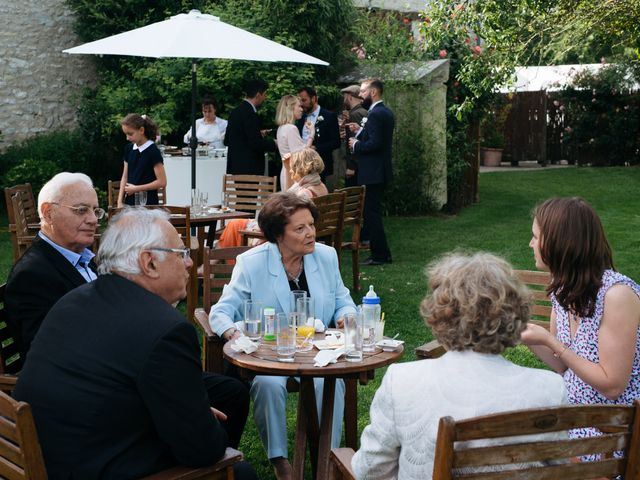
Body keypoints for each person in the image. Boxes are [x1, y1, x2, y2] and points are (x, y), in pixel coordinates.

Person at [14, 208, 255, 480]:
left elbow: (108, 378)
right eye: (181, 253)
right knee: (241, 472)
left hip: (49, 453)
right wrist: (199, 421)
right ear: (149, 263)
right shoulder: (167, 330)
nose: (189, 263)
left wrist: (188, 412)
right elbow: (203, 451)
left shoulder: (74, 300)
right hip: (95, 466)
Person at [352, 252, 568, 479]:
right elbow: (557, 470)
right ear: (514, 315)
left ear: (440, 314)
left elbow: (370, 471)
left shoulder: (402, 382)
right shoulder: (550, 389)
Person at [210, 192, 356, 480]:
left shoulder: (326, 256)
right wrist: (234, 333)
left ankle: (327, 457)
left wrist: (345, 316)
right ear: (278, 234)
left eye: (312, 225)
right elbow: (220, 312)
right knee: (268, 384)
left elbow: (344, 300)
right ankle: (280, 460)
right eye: (300, 228)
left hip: (317, 354)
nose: (311, 233)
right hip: (271, 357)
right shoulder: (252, 263)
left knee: (331, 381)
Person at [521, 197, 640, 451]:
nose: (530, 243)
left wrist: (549, 340)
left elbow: (612, 385)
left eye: (535, 236)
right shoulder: (563, 289)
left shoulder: (616, 295)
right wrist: (522, 332)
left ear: (558, 243)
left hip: (613, 432)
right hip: (573, 418)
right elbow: (563, 364)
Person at [5, 172, 102, 360]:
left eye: (95, 211)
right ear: (49, 213)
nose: (93, 220)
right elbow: (45, 352)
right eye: (81, 210)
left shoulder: (82, 258)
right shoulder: (32, 276)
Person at [217, 148, 327, 249]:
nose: (290, 171)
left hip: (284, 231)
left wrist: (261, 229)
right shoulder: (319, 186)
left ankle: (212, 262)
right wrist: (286, 166)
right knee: (236, 223)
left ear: (300, 168)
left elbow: (285, 215)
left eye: (292, 167)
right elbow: (287, 197)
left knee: (234, 225)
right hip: (301, 229)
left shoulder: (305, 193)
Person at [347, 78, 394, 265]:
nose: (361, 95)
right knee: (372, 213)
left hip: (373, 172)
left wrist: (357, 144)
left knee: (371, 215)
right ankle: (382, 253)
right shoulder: (384, 112)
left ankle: (380, 255)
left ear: (374, 92)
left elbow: (376, 144)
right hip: (379, 170)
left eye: (364, 91)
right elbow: (376, 137)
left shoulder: (375, 114)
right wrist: (360, 131)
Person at [225, 79, 277, 175]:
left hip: (236, 167)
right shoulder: (251, 114)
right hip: (250, 168)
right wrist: (274, 143)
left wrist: (258, 134)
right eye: (264, 94)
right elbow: (255, 143)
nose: (265, 98)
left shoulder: (235, 112)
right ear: (258, 95)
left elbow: (227, 139)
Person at [118, 113, 167, 207]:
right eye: (126, 134)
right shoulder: (129, 149)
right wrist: (120, 202)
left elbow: (162, 181)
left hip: (149, 205)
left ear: (141, 130)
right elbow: (125, 176)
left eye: (130, 134)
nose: (127, 138)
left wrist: (136, 189)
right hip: (129, 204)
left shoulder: (153, 151)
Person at [297, 86, 341, 183]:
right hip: (301, 164)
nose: (301, 104)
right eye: (300, 101)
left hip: (320, 164)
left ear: (314, 98)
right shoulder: (300, 116)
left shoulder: (329, 116)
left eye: (304, 100)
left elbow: (336, 142)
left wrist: (316, 148)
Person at [275, 94, 314, 190]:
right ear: (291, 108)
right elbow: (302, 156)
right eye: (299, 106)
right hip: (293, 175)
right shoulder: (291, 128)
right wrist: (311, 135)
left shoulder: (281, 128)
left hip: (286, 172)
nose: (301, 109)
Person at [340, 85, 367, 187]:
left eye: (344, 97)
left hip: (356, 167)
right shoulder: (362, 112)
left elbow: (354, 141)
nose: (344, 100)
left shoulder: (355, 114)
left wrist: (352, 167)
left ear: (350, 97)